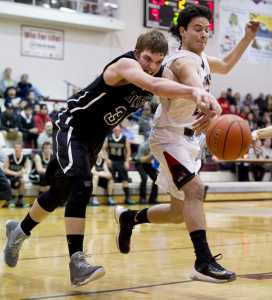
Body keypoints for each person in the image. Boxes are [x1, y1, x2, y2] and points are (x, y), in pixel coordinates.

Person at [3, 29, 216, 287]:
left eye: (158, 62)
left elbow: (175, 83)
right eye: (147, 59)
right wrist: (194, 93)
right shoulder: (126, 64)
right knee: (81, 184)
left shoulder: (157, 71)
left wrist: (206, 102)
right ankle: (77, 262)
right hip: (72, 126)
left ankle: (18, 231)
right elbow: (155, 85)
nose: (151, 66)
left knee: (60, 191)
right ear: (138, 53)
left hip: (95, 137)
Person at [114, 5, 260, 283]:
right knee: (195, 190)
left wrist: (247, 38)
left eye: (207, 29)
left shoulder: (201, 57)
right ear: (182, 31)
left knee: (177, 213)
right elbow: (195, 84)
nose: (204, 34)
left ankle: (130, 218)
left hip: (190, 141)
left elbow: (227, 65)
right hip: (170, 139)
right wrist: (210, 104)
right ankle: (202, 262)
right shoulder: (182, 61)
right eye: (198, 28)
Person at [103, 125, 133, 205]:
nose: (117, 131)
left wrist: (127, 161)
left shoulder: (124, 138)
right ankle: (109, 198)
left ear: (120, 130)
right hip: (111, 161)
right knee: (111, 179)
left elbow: (128, 151)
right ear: (113, 130)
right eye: (115, 129)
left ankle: (127, 198)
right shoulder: (108, 138)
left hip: (121, 161)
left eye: (118, 130)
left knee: (125, 179)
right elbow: (103, 149)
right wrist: (106, 159)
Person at [3, 143, 30, 207]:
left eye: (18, 148)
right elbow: (5, 169)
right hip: (10, 175)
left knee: (23, 181)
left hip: (19, 176)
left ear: (21, 149)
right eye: (15, 148)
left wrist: (23, 171)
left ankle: (20, 200)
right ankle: (9, 200)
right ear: (14, 149)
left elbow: (26, 169)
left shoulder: (25, 158)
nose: (17, 149)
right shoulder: (9, 157)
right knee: (7, 182)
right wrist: (16, 173)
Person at [134, 139, 158, 204]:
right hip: (139, 163)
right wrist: (151, 155)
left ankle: (152, 199)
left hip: (148, 163)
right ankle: (142, 198)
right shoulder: (143, 146)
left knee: (156, 179)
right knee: (144, 178)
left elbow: (158, 160)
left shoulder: (157, 146)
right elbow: (141, 160)